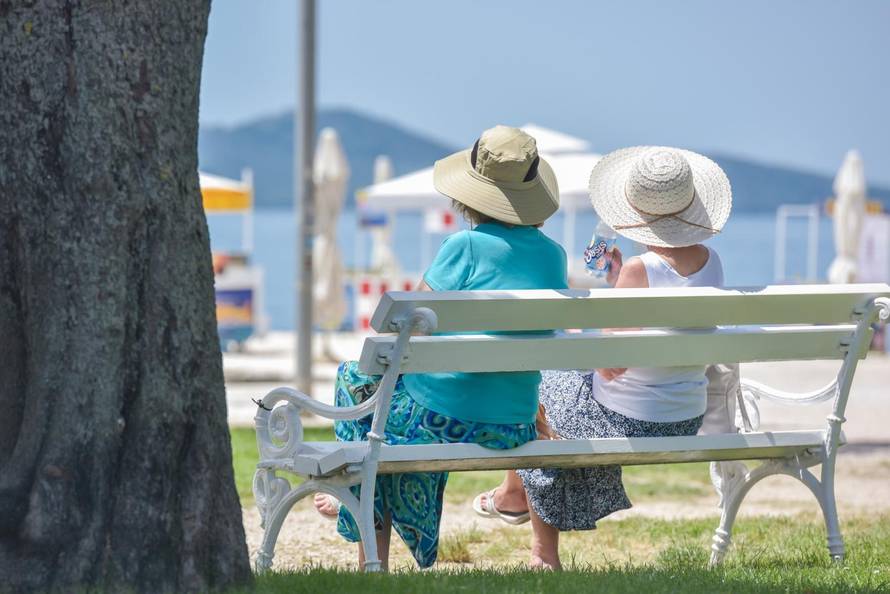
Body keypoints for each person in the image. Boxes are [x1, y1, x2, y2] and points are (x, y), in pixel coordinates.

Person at [314, 125, 569, 569]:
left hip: (448, 420)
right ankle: (353, 486)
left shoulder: (464, 246)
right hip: (514, 422)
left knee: (355, 382)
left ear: (471, 196)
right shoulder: (554, 255)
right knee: (391, 412)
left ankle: (359, 509)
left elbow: (404, 323)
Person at [473, 146, 732, 569]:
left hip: (632, 420)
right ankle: (513, 494)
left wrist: (579, 328)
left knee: (532, 390)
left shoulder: (639, 270)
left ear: (637, 214)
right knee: (554, 392)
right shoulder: (712, 262)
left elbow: (609, 362)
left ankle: (540, 548)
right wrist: (618, 285)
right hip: (686, 416)